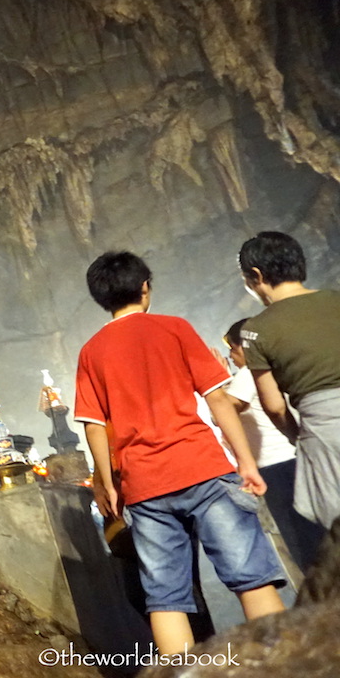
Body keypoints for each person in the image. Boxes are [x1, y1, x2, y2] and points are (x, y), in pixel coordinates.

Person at [73, 251, 285, 655]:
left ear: (101, 298)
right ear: (144, 287)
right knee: (251, 578)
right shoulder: (174, 328)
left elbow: (94, 425)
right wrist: (245, 460)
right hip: (202, 468)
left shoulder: (92, 351)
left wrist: (111, 484)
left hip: (145, 485)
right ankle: (288, 666)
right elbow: (218, 400)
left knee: (166, 599)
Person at [238, 231, 340, 540]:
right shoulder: (336, 299)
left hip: (324, 431)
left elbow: (274, 405)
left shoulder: (255, 331)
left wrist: (297, 437)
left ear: (256, 276)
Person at [224, 318, 325, 568]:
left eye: (233, 349)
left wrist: (217, 386)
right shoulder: (283, 365)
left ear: (245, 347)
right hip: (299, 457)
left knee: (299, 544)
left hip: (275, 466)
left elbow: (222, 411)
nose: (230, 356)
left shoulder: (250, 373)